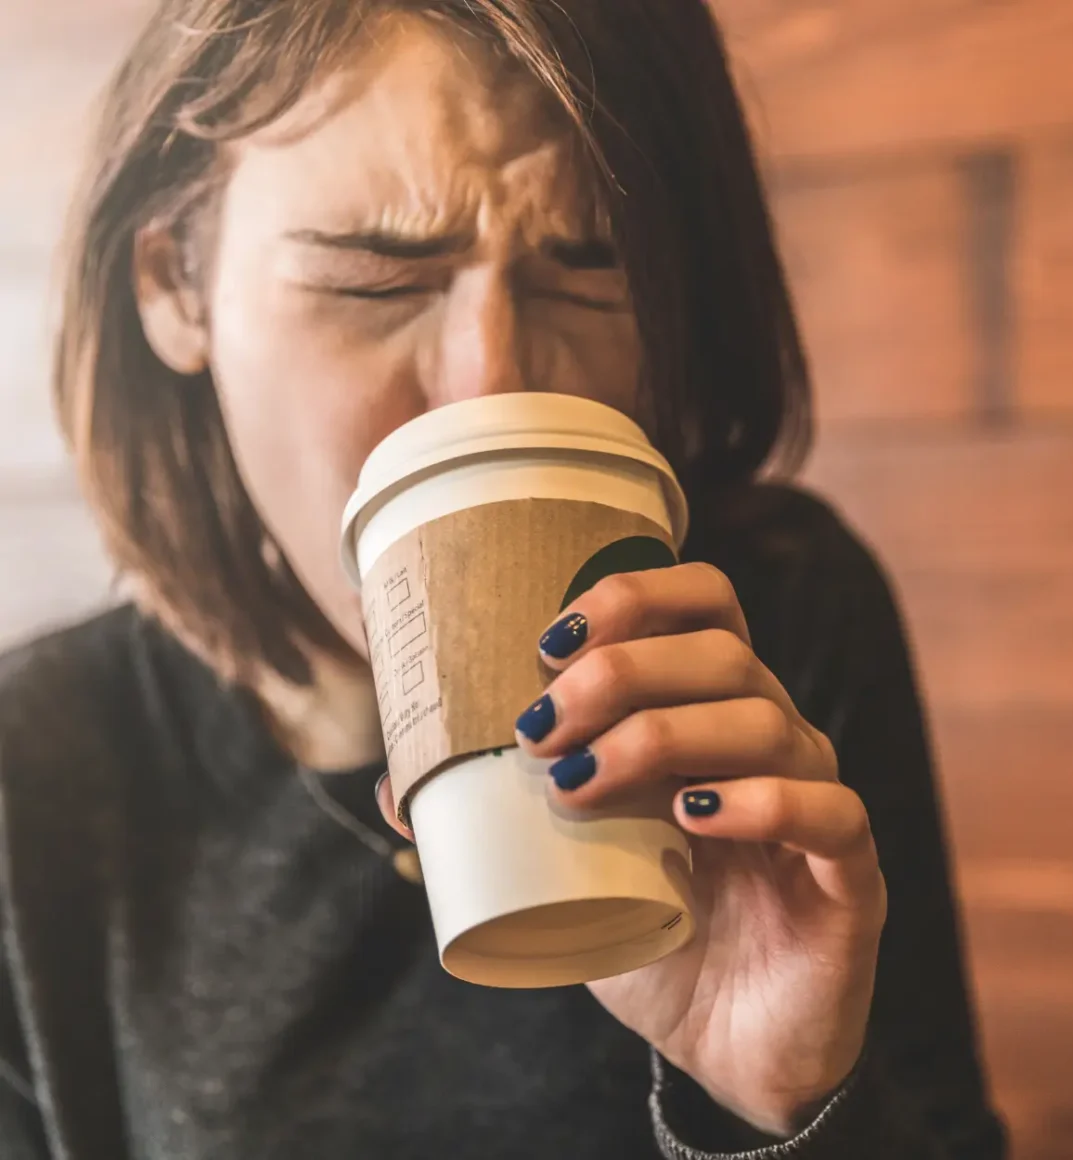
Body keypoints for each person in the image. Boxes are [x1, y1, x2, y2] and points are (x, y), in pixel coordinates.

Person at [0, 1, 1008, 1157]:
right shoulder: (39, 769)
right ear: (178, 286)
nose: (492, 383)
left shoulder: (770, 627)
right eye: (376, 279)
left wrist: (781, 1103)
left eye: (589, 273)